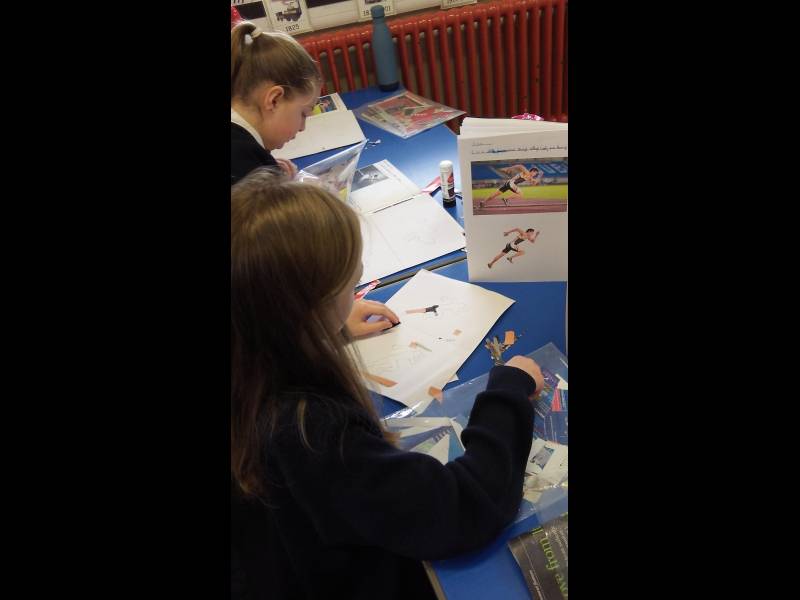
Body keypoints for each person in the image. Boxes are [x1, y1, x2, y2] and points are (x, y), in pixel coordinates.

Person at [231, 169, 545, 599]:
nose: (359, 281)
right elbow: (460, 511)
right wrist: (509, 390)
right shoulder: (312, 433)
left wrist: (329, 328)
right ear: (310, 306)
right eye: (351, 283)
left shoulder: (250, 359)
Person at [231, 21, 322, 185]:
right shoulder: (243, 167)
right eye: (303, 114)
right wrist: (279, 188)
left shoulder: (245, 153)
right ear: (274, 100)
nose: (302, 127)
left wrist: (268, 169)